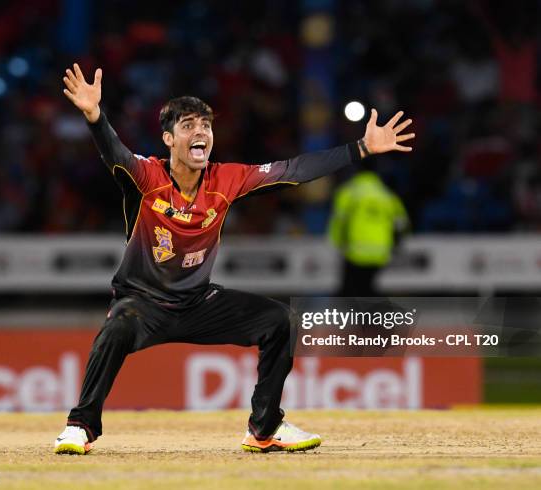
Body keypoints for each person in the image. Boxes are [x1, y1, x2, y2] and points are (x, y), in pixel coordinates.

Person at [54, 63, 414, 454]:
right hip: (142, 304)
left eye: (206, 126)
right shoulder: (146, 177)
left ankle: (265, 428)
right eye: (189, 125)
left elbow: (293, 170)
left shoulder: (227, 180)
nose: (201, 132)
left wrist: (359, 148)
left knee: (279, 321)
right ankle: (80, 427)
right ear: (168, 139)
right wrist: (94, 116)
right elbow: (114, 152)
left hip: (197, 302)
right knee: (116, 328)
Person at [328, 161, 409, 297]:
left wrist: (337, 243)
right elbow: (401, 223)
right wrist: (396, 244)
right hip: (380, 251)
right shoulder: (386, 194)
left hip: (355, 251)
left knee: (350, 291)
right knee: (366, 288)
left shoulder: (348, 192)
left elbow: (339, 221)